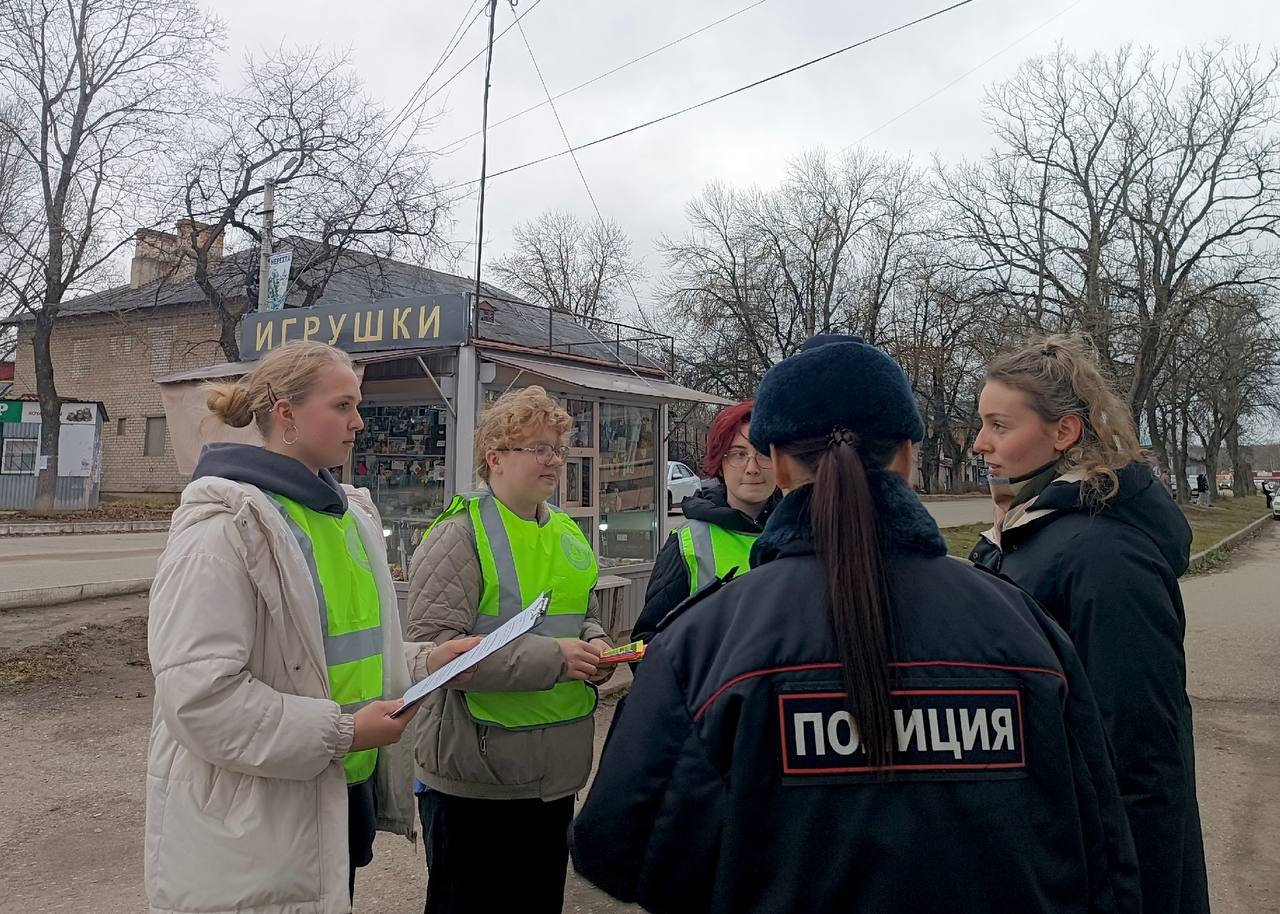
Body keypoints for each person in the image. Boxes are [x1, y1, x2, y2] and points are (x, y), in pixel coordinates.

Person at [571, 335, 1140, 914]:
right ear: (907, 457)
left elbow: (619, 851)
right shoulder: (1024, 628)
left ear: (779, 462)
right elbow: (1102, 848)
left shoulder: (704, 642)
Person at [144, 340, 479, 914]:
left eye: (358, 405)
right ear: (286, 413)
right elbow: (200, 696)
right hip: (256, 820)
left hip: (335, 797)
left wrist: (424, 662)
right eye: (342, 405)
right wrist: (345, 733)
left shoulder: (349, 517)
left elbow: (328, 651)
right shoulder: (222, 530)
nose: (358, 421)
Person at [969, 335, 1209, 914]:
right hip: (1050, 844)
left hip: (1100, 871)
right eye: (981, 425)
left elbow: (1142, 757)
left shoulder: (1108, 559)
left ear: (1064, 433)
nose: (980, 444)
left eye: (999, 426)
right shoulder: (1034, 532)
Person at [406, 385, 614, 914]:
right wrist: (558, 660)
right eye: (537, 448)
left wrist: (597, 644)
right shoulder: (458, 536)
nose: (553, 461)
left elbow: (580, 613)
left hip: (553, 775)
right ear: (494, 457)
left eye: (557, 449)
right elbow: (431, 655)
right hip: (475, 780)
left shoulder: (568, 533)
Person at [633, 401, 780, 644]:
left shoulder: (805, 534)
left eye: (764, 454)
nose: (752, 468)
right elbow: (648, 643)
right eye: (739, 454)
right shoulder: (689, 543)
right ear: (719, 464)